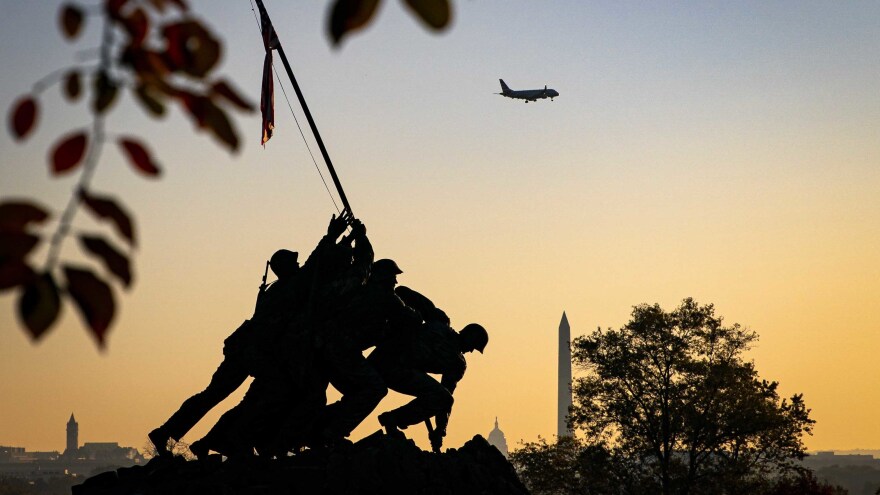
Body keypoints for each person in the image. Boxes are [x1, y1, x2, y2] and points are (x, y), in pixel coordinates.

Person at [147, 248, 301, 455]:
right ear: (285, 268)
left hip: (247, 351)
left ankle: (169, 432)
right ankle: (191, 435)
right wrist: (331, 238)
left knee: (213, 395)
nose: (298, 266)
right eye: (294, 263)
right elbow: (310, 270)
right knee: (261, 393)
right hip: (252, 353)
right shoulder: (284, 289)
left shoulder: (277, 289)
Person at [369, 318, 488, 452]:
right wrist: (440, 430)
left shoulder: (440, 326)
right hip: (392, 365)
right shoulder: (457, 362)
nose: (471, 351)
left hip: (383, 360)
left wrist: (440, 429)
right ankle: (393, 419)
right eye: (474, 346)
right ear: (469, 337)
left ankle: (393, 420)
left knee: (440, 397)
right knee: (443, 398)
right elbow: (445, 398)